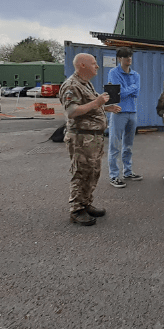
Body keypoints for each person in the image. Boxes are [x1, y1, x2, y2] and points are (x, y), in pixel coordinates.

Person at [59, 53, 122, 226]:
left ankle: (86, 203)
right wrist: (97, 102)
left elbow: (89, 107)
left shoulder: (85, 84)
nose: (97, 66)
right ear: (83, 65)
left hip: (92, 138)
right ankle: (77, 210)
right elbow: (71, 111)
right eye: (94, 63)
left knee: (92, 172)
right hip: (81, 138)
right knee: (81, 173)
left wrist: (105, 107)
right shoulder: (71, 85)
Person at [106, 48, 141, 188]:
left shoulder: (136, 75)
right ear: (119, 58)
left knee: (128, 145)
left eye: (130, 56)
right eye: (126, 57)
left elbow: (136, 92)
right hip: (118, 112)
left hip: (132, 112)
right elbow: (116, 93)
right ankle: (114, 176)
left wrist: (126, 89)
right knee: (114, 145)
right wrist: (131, 88)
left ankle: (128, 172)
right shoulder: (113, 73)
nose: (129, 59)